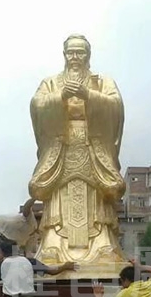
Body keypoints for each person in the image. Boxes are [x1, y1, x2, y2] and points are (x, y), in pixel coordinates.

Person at [29, 34, 128, 265]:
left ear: (88, 55)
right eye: (71, 52)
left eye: (80, 52)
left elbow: (116, 105)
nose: (75, 57)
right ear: (64, 55)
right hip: (60, 146)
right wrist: (60, 97)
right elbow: (37, 105)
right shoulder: (51, 83)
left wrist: (89, 96)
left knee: (97, 196)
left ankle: (103, 245)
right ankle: (54, 245)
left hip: (93, 144)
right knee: (58, 196)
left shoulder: (102, 82)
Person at [0, 198, 38, 284]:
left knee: (14, 257)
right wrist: (34, 198)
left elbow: (28, 255)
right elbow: (27, 207)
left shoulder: (32, 238)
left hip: (4, 237)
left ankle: (0, 276)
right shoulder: (32, 222)